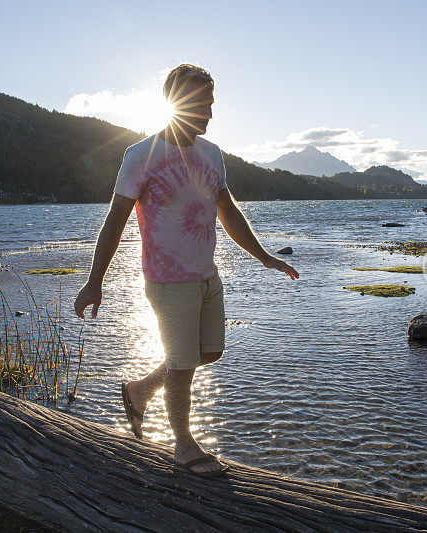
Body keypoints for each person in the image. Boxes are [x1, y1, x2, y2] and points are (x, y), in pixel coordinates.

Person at [74, 63, 298, 477]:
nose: (210, 113)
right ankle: (183, 446)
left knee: (208, 352)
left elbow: (227, 212)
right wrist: (95, 280)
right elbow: (115, 219)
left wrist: (265, 256)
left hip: (207, 277)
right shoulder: (140, 155)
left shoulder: (212, 155)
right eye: (202, 104)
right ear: (176, 103)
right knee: (181, 365)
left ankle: (138, 391)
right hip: (167, 280)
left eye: (212, 104)